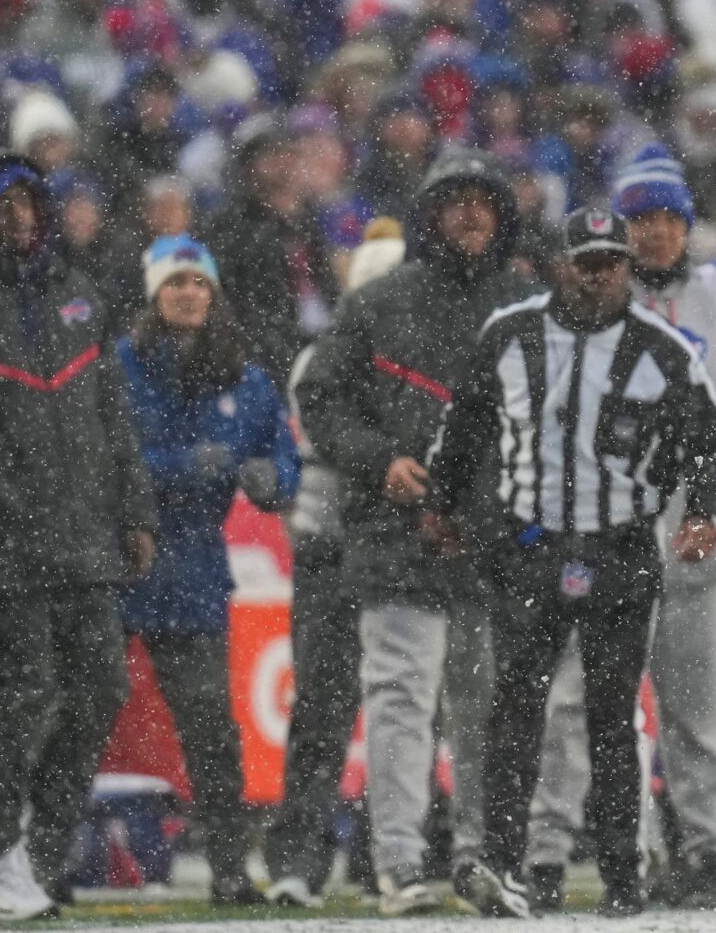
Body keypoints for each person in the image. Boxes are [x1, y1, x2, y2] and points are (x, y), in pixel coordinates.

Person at [433, 208, 716, 919]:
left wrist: (703, 512)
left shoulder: (662, 348)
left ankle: (621, 875)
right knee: (515, 712)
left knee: (610, 717)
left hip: (621, 548)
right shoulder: (509, 336)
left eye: (612, 260)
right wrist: (442, 502)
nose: (600, 273)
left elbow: (714, 438)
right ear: (559, 265)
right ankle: (507, 863)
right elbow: (466, 422)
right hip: (530, 547)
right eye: (586, 260)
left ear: (628, 267)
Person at [295, 151, 535, 914]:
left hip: (493, 543)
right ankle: (398, 861)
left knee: (482, 708)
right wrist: (380, 462)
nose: (470, 214)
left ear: (501, 216)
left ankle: (477, 858)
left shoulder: (527, 304)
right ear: (429, 215)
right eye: (455, 201)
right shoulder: (378, 302)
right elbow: (320, 398)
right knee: (400, 700)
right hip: (395, 535)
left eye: (482, 201)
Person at [524, 146, 716, 910]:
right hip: (609, 530)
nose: (656, 234)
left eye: (668, 219)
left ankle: (705, 848)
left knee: (697, 702)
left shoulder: (712, 299)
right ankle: (562, 848)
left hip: (694, 531)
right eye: (642, 220)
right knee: (581, 696)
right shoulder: (584, 309)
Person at [0, 152, 155, 918]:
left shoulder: (81, 298)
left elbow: (115, 418)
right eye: (4, 206)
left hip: (86, 538)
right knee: (17, 699)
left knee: (100, 690)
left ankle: (37, 854)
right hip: (6, 543)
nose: (19, 219)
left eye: (29, 204)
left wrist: (136, 512)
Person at [116, 235, 299, 905]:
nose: (189, 293)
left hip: (192, 567)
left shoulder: (244, 377)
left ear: (214, 293)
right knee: (79, 713)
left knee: (211, 728)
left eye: (199, 283)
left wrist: (268, 479)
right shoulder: (121, 367)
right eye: (176, 283)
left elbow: (282, 463)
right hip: (119, 560)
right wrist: (186, 465)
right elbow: (111, 461)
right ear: (154, 293)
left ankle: (227, 869)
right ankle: (41, 860)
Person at [264, 218, 406, 908]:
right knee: (330, 708)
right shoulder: (321, 360)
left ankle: (387, 853)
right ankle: (306, 857)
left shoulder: (407, 355)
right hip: (339, 548)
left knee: (396, 711)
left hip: (390, 549)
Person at [201, 115, 338, 385]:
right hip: (264, 362)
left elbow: (326, 292)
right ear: (248, 168)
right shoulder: (229, 227)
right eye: (273, 158)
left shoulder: (307, 222)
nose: (285, 169)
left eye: (291, 157)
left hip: (315, 348)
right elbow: (239, 308)